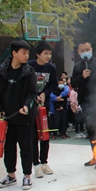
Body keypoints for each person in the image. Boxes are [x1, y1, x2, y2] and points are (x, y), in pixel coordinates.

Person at [0, 40, 38, 190]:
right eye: (23, 53)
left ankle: (27, 176)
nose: (26, 56)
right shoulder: (2, 70)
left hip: (24, 117)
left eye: (27, 53)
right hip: (8, 118)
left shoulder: (29, 71)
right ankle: (11, 176)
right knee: (9, 147)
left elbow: (32, 93)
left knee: (26, 148)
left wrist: (26, 106)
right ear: (14, 53)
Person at [71, 41, 96, 169]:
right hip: (85, 103)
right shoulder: (77, 67)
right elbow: (74, 83)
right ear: (78, 52)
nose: (85, 52)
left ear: (92, 50)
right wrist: (82, 77)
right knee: (91, 131)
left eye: (87, 49)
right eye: (82, 50)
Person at [28, 41, 57, 178]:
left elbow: (53, 85)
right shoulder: (29, 66)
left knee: (45, 134)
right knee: (33, 136)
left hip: (45, 106)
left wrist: (45, 93)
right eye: (45, 53)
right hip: (31, 106)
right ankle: (36, 164)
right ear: (38, 54)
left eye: (49, 54)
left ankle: (45, 162)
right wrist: (34, 96)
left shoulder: (51, 68)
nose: (48, 56)